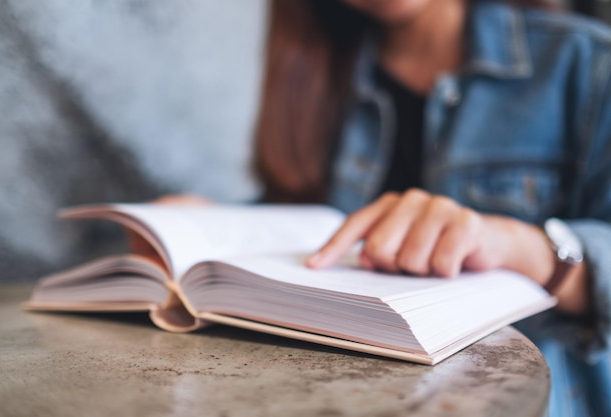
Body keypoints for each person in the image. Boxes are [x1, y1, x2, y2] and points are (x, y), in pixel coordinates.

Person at [250, 0, 611, 416]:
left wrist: (517, 246)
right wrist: (206, 220)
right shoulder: (320, 73)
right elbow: (301, 221)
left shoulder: (585, 63)